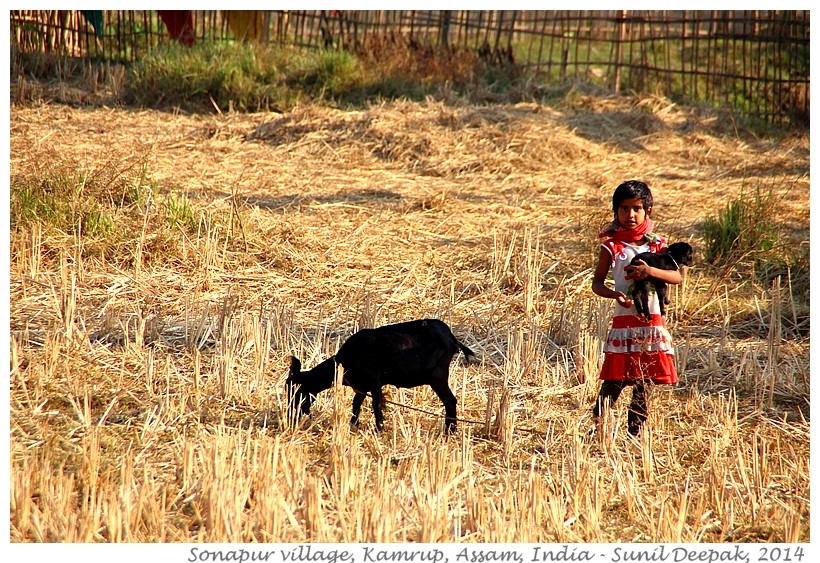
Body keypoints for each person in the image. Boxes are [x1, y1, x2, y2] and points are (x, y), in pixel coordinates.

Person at [589, 180, 681, 440]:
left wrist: (649, 271)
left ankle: (635, 432)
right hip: (624, 321)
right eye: (624, 209)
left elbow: (676, 277)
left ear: (648, 211)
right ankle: (596, 427)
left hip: (651, 322)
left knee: (644, 382)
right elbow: (597, 283)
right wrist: (614, 294)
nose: (630, 215)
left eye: (637, 208)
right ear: (615, 212)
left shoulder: (657, 244)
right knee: (615, 379)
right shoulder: (612, 247)